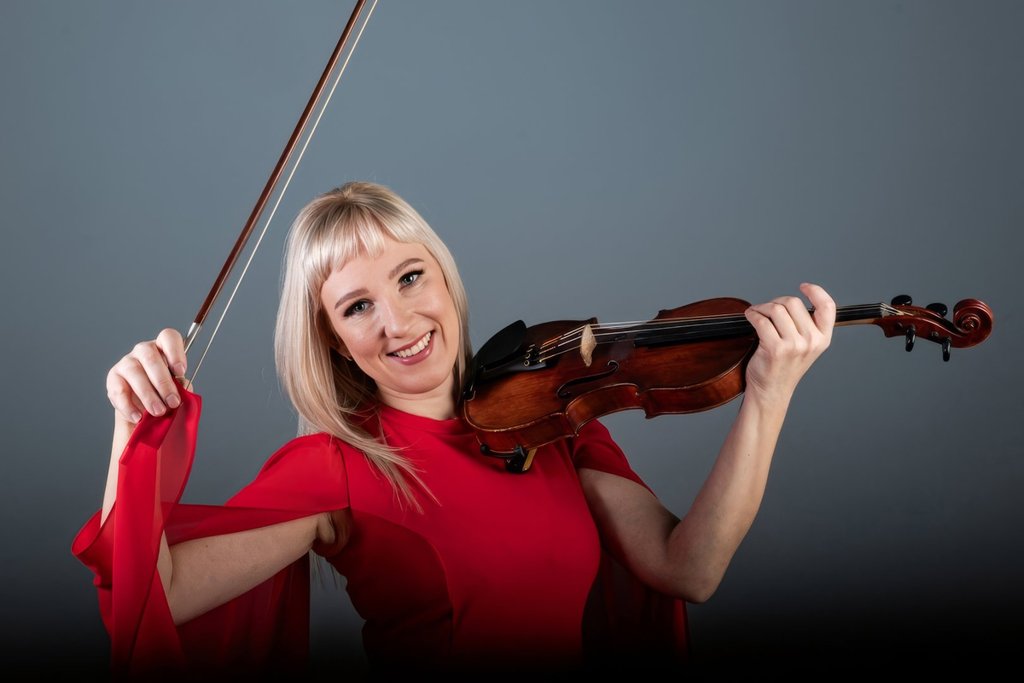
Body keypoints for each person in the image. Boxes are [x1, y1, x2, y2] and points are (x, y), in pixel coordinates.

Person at [73, 181, 835, 677]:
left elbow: (688, 568)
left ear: (443, 275)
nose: (399, 321)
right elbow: (151, 595)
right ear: (333, 340)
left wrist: (767, 395)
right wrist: (130, 429)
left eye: (410, 277)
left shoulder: (553, 417)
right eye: (357, 306)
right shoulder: (337, 465)